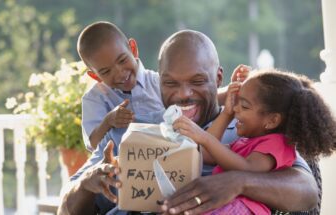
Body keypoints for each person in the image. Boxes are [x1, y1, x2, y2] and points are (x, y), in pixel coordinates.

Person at [58, 30, 319, 215]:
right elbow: (66, 209)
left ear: (218, 79)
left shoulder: (248, 129)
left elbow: (306, 190)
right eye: (170, 83)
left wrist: (237, 181)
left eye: (197, 82)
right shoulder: (131, 133)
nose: (183, 94)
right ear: (158, 81)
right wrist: (88, 184)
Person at [172, 68, 336, 214]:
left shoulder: (277, 144)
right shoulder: (245, 143)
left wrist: (205, 137)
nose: (236, 109)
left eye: (244, 106)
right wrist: (227, 114)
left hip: (242, 208)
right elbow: (207, 153)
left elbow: (247, 169)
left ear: (272, 121)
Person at [77, 21, 165, 153]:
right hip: (121, 168)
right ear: (95, 76)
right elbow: (94, 145)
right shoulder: (95, 99)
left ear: (133, 49)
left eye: (122, 60)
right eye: (106, 72)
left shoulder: (160, 83)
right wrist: (108, 121)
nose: (119, 73)